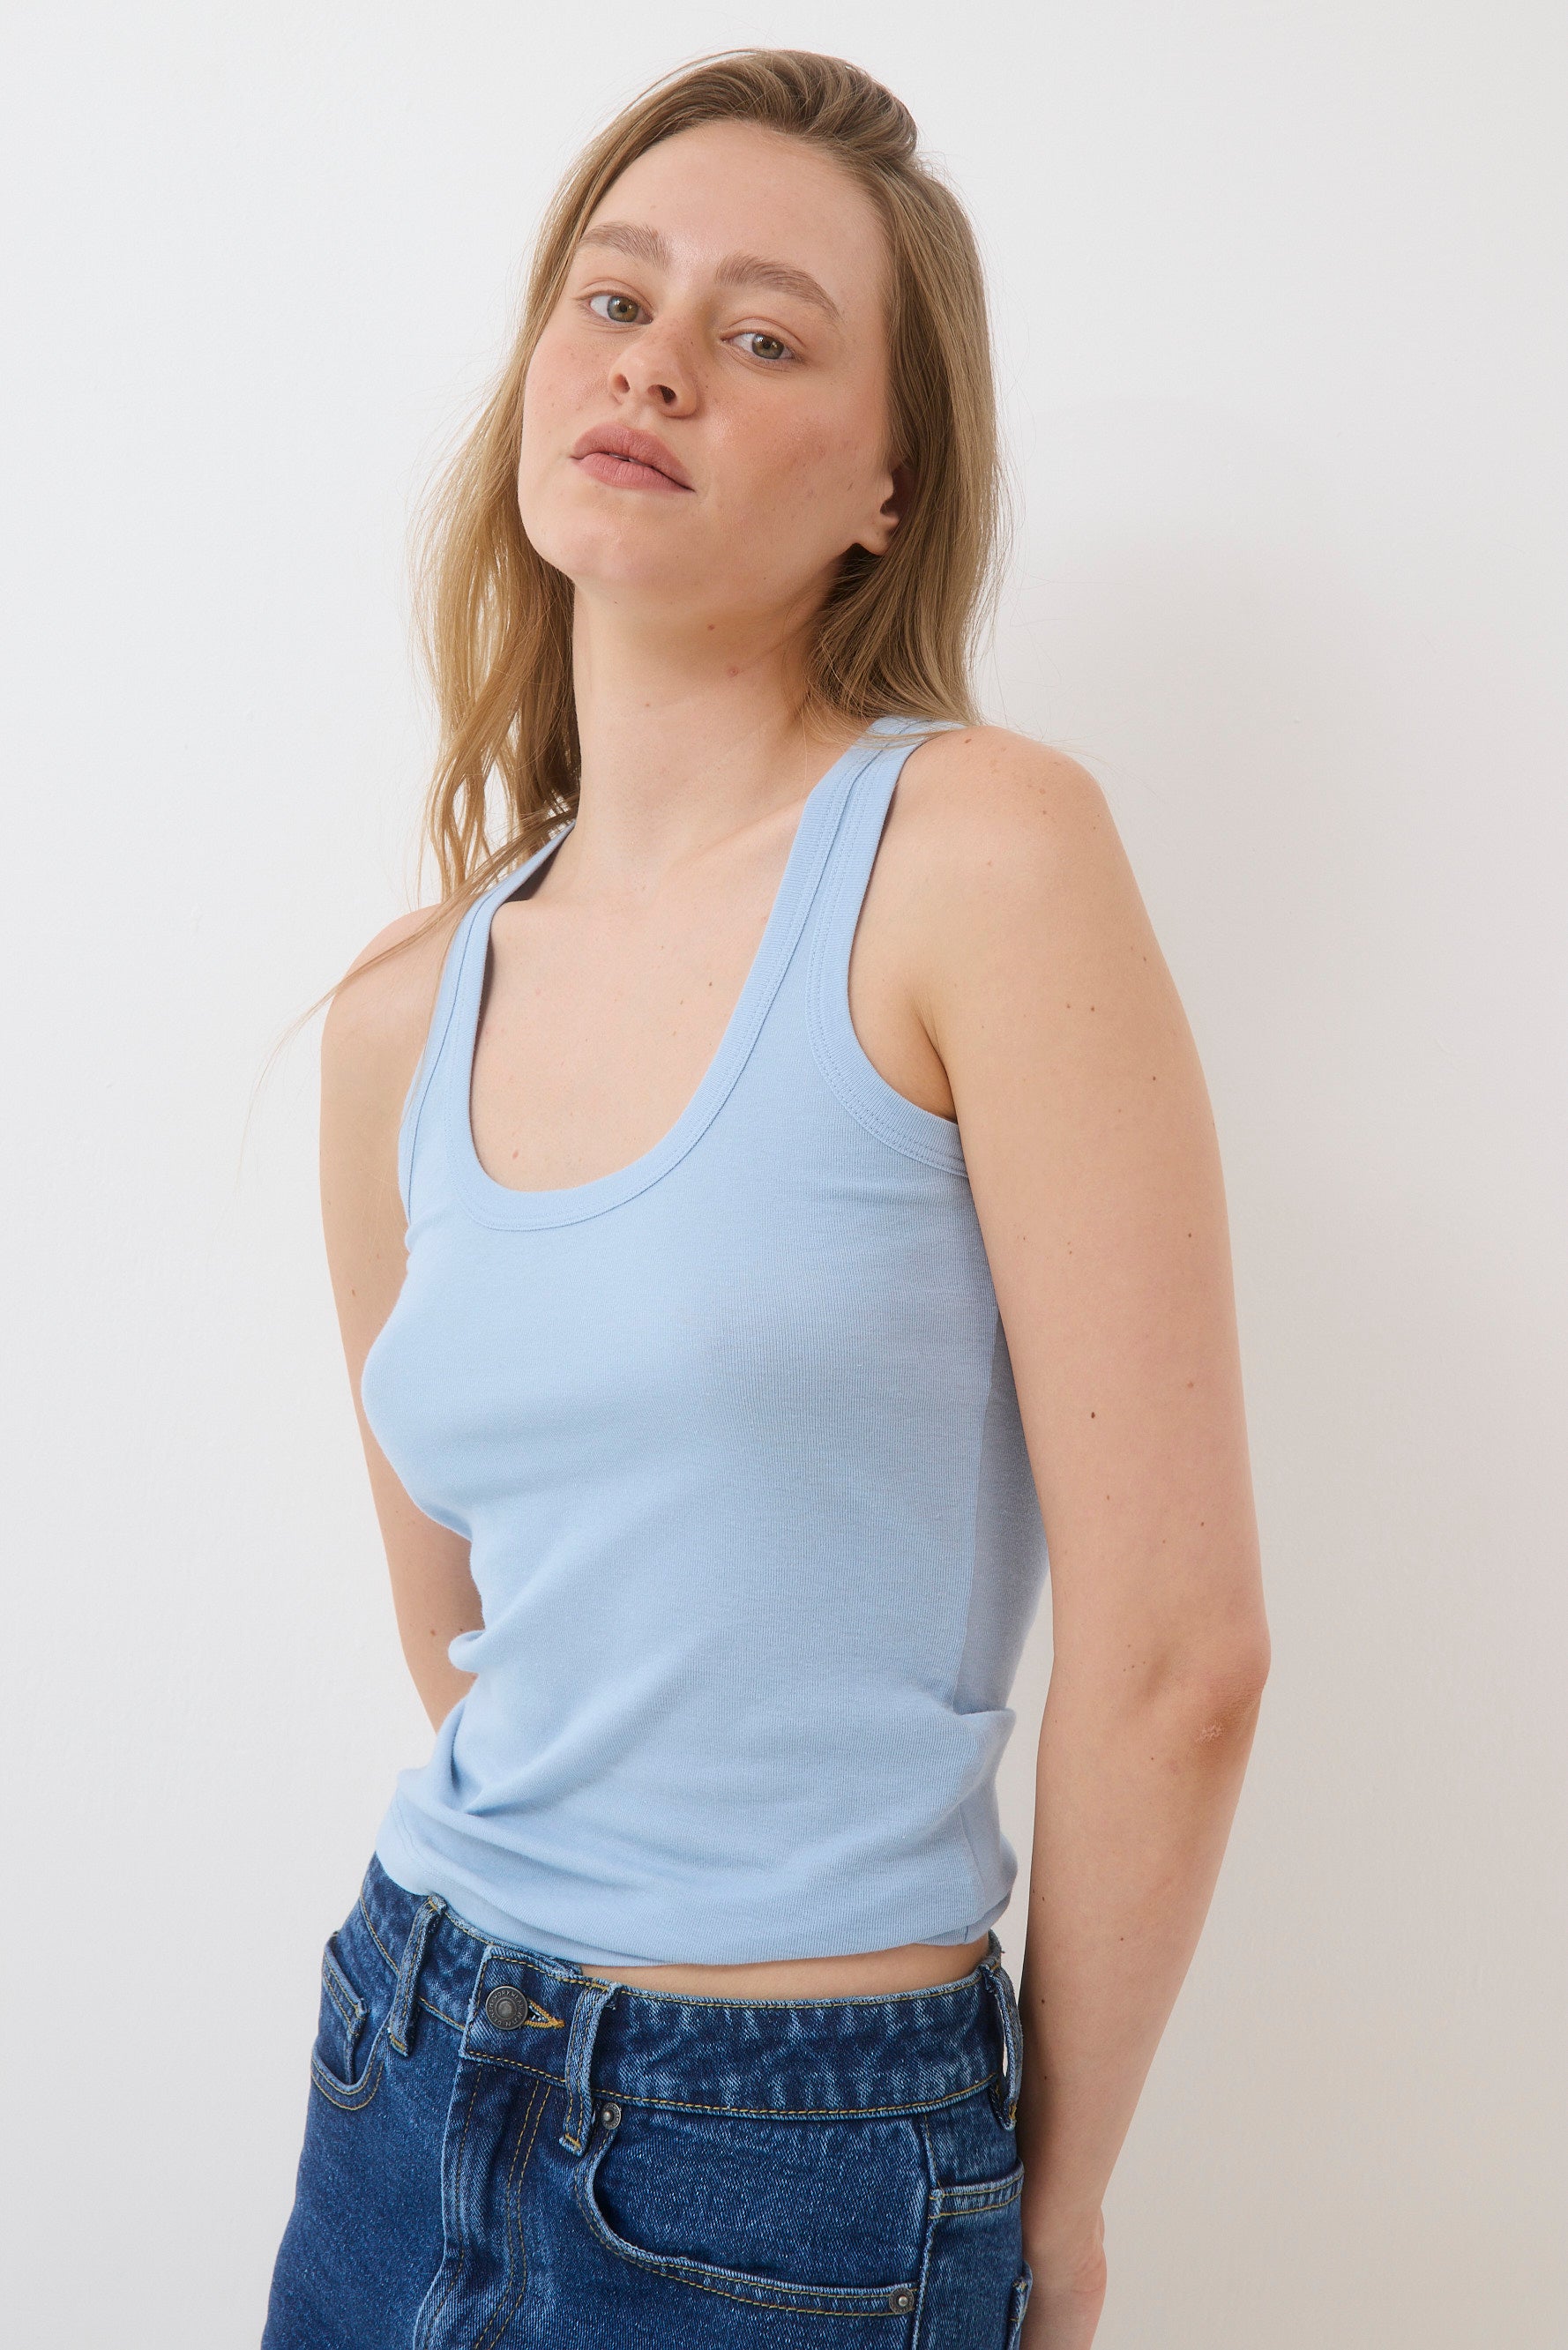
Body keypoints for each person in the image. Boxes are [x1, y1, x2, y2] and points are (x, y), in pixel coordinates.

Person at [262, 46, 1269, 2350]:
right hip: (401, 2063)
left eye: (764, 335)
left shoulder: (976, 857)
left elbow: (1177, 1658)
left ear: (890, 487)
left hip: (799, 2153)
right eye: (613, 300)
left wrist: (1048, 2206)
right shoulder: (397, 1012)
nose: (654, 366)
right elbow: (474, 1640)